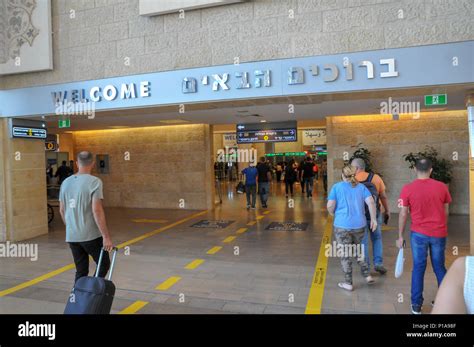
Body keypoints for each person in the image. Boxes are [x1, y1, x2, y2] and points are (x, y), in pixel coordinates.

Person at [398, 158, 452, 315]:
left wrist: (400, 236)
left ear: (415, 169)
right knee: (439, 267)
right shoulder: (442, 187)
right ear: (431, 170)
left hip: (418, 234)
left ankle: (416, 305)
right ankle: (445, 302)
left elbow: (403, 214)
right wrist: (442, 226)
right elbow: (446, 211)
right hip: (439, 233)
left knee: (418, 268)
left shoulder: (407, 189)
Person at [59, 151, 114, 283]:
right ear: (93, 163)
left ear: (77, 163)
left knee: (81, 270)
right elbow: (97, 210)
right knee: (104, 264)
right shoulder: (95, 182)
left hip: (72, 236)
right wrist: (106, 237)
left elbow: (62, 210)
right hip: (90, 235)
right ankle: (91, 291)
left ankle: (77, 299)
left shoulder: (65, 182)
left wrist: (72, 226)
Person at [327, 165, 377, 291]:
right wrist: (374, 219)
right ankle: (367, 275)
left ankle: (348, 283)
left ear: (343, 175)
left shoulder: (337, 187)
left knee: (345, 255)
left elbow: (330, 205)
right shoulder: (361, 187)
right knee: (358, 251)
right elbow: (371, 202)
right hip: (359, 225)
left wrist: (332, 213)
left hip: (342, 226)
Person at [351, 158, 390, 275]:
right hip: (375, 214)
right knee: (377, 238)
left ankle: (366, 268)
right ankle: (378, 263)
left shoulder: (351, 181)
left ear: (357, 168)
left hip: (359, 217)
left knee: (363, 241)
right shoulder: (376, 178)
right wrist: (387, 211)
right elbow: (383, 196)